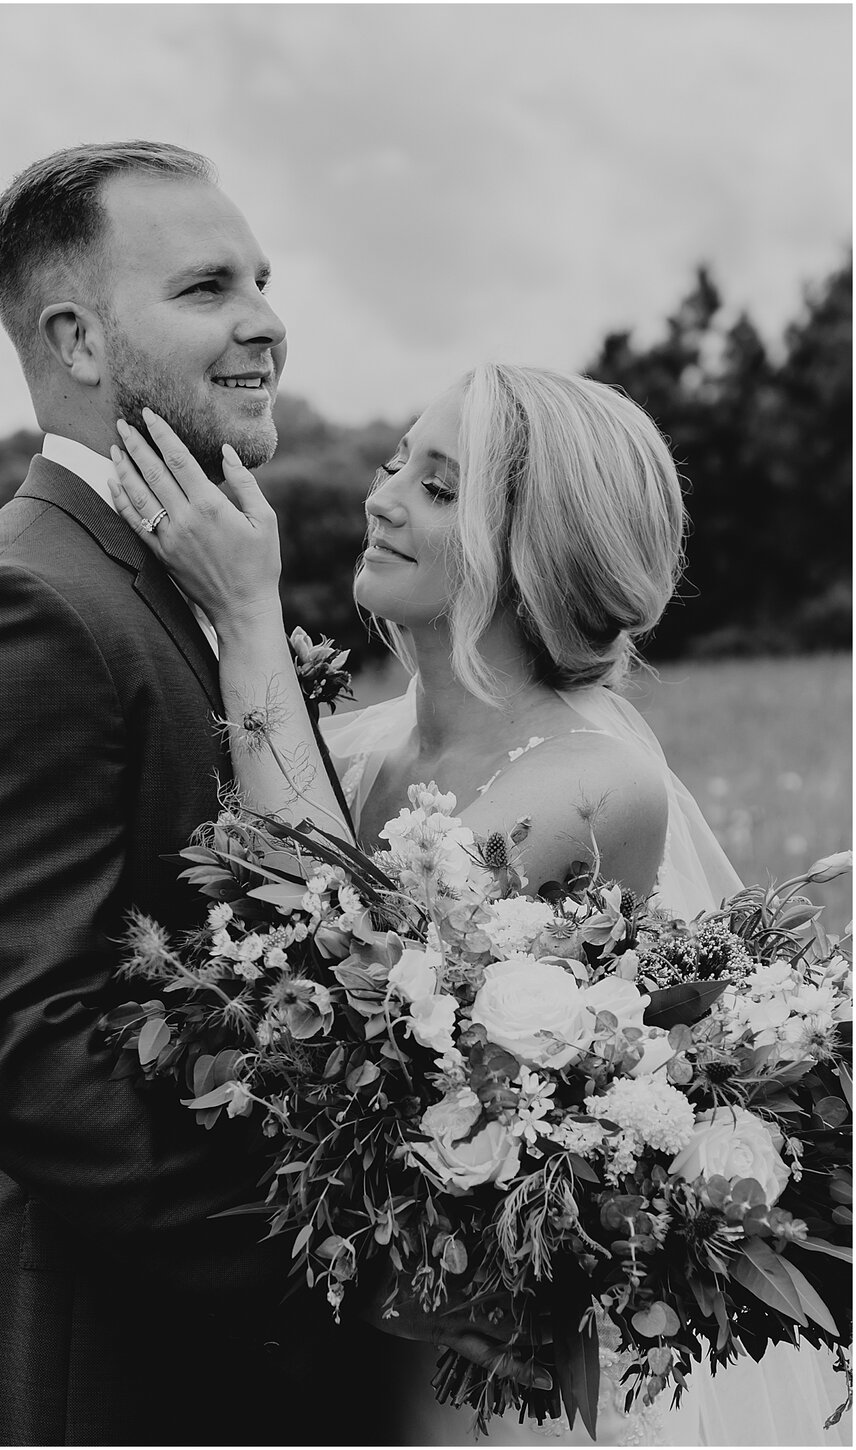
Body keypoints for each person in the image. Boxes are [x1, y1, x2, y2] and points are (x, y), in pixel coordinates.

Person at [108, 362, 849, 1445]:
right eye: (396, 460)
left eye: (441, 488)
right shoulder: (355, 749)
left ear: (533, 552)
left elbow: (329, 949)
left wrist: (247, 612)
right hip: (365, 1322)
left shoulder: (594, 778)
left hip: (488, 1378)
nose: (382, 494)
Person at [0, 139, 413, 1447]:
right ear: (80, 339)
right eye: (209, 287)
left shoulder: (180, 575)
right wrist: (310, 1252)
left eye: (264, 281)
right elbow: (12, 1039)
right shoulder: (17, 608)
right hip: (113, 1367)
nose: (267, 321)